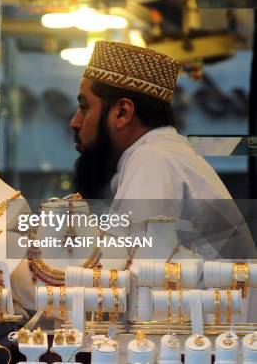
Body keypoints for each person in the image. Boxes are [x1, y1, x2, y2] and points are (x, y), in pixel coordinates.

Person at [69, 40, 256, 260]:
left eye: (84, 106)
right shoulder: (164, 152)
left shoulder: (153, 160)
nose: (75, 121)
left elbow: (123, 272)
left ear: (122, 113)